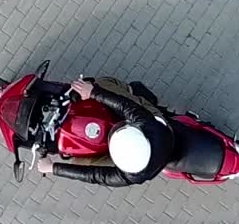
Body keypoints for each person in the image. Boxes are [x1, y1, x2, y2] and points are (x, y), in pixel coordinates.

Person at [37, 77, 176, 188]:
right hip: (163, 136)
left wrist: (52, 168)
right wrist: (93, 92)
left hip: (165, 141)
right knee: (108, 88)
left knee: (104, 83)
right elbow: (126, 107)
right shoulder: (153, 127)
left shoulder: (129, 175)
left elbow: (94, 175)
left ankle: (130, 92)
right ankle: (132, 92)